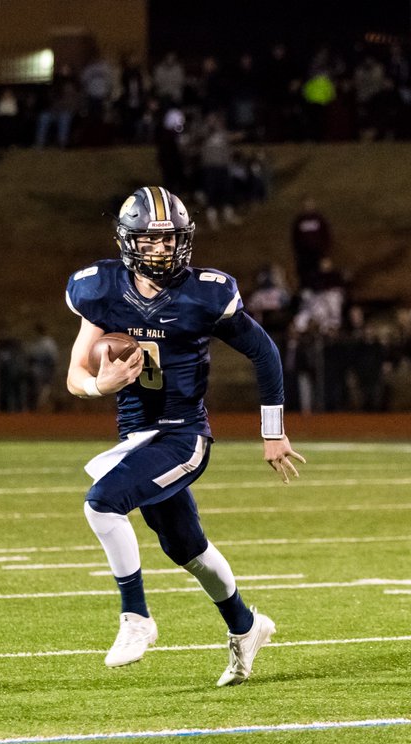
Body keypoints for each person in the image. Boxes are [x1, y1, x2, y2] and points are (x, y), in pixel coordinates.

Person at [64, 185, 305, 686]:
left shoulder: (203, 293)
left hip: (183, 435)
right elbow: (76, 371)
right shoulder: (101, 289)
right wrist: (97, 384)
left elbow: (265, 354)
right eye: (149, 241)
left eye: (169, 240)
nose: (161, 250)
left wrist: (273, 433)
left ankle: (136, 618)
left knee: (101, 502)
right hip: (137, 436)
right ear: (128, 242)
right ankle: (246, 625)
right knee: (186, 548)